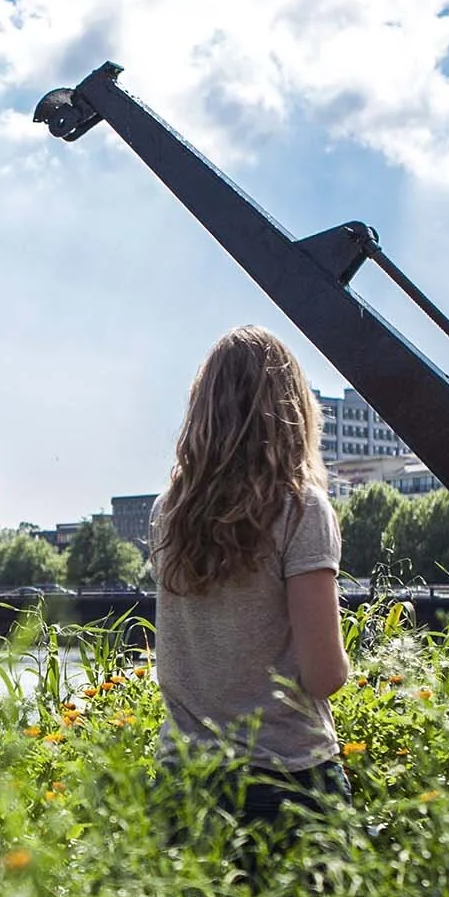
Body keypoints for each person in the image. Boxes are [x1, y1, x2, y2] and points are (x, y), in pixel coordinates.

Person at [150, 324, 351, 838]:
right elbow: (324, 674)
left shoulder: (168, 513)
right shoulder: (301, 508)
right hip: (286, 781)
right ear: (292, 409)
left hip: (183, 782)